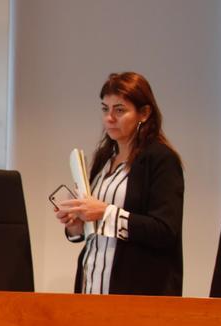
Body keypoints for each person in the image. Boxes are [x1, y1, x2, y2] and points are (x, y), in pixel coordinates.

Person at [55, 72, 184, 295]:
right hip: (92, 286)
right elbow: (98, 230)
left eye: (119, 110)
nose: (109, 118)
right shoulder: (104, 158)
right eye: (105, 109)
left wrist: (105, 213)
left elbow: (165, 230)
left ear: (144, 113)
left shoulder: (161, 159)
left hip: (137, 292)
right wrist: (77, 225)